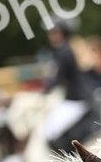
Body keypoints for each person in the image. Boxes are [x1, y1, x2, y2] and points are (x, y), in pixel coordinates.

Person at [40, 13, 95, 151]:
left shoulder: (64, 51)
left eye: (53, 32)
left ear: (61, 32)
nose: (50, 35)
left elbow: (58, 79)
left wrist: (45, 86)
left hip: (76, 100)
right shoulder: (74, 46)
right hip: (81, 97)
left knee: (50, 133)